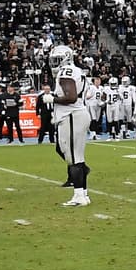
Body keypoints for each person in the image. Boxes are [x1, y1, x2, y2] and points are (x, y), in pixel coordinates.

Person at [50, 45, 92, 207]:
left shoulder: (66, 71)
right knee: (75, 157)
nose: (55, 64)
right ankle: (84, 193)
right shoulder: (76, 71)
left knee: (74, 159)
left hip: (72, 115)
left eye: (57, 60)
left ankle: (79, 195)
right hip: (75, 114)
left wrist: (52, 99)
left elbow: (71, 97)